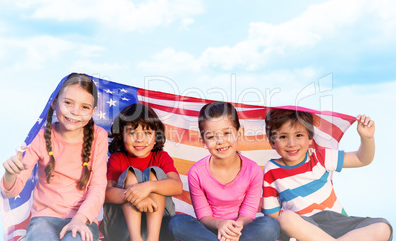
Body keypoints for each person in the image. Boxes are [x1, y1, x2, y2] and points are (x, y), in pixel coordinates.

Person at [1, 73, 108, 241]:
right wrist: (10, 173)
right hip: (43, 219)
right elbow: (11, 191)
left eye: (84, 107)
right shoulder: (41, 136)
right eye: (68, 103)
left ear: (93, 111)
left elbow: (98, 187)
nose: (75, 112)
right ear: (54, 103)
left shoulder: (99, 136)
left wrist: (80, 219)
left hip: (82, 219)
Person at [262, 109, 393, 241]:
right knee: (285, 218)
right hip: (303, 229)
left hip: (337, 222)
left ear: (309, 138)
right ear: (272, 142)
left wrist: (367, 138)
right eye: (283, 137)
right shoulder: (270, 169)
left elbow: (361, 159)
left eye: (299, 135)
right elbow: (272, 217)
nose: (292, 143)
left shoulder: (320, 157)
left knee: (383, 227)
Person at [168, 101, 280, 241]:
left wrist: (235, 229)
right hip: (209, 231)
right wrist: (221, 224)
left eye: (227, 133)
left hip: (241, 231)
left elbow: (248, 213)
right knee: (177, 223)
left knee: (270, 225)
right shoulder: (196, 172)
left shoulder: (253, 170)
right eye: (211, 136)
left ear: (239, 133)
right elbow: (204, 216)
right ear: (203, 141)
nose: (220, 141)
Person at [103, 103, 183, 241]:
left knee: (154, 173)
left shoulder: (161, 157)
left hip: (160, 229)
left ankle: (152, 239)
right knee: (130, 174)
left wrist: (148, 187)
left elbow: (177, 186)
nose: (139, 139)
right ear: (121, 135)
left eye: (147, 132)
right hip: (123, 229)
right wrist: (135, 196)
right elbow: (106, 193)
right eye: (132, 132)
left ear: (156, 136)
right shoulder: (118, 158)